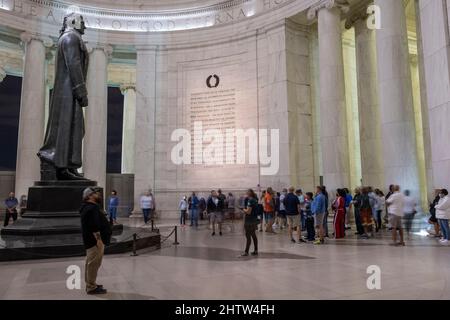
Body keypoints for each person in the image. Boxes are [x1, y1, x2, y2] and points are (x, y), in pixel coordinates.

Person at [80, 187, 112, 295]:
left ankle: (91, 283)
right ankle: (91, 287)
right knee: (93, 264)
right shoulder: (91, 208)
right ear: (89, 196)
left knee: (91, 263)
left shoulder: (88, 207)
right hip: (94, 241)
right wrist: (98, 240)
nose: (98, 195)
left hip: (91, 240)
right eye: (95, 193)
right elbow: (93, 226)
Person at [241, 189, 259, 256]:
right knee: (253, 235)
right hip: (254, 220)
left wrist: (243, 209)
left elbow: (248, 211)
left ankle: (246, 252)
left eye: (247, 192)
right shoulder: (255, 200)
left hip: (249, 221)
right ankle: (256, 250)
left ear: (249, 193)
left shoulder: (250, 200)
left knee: (248, 236)